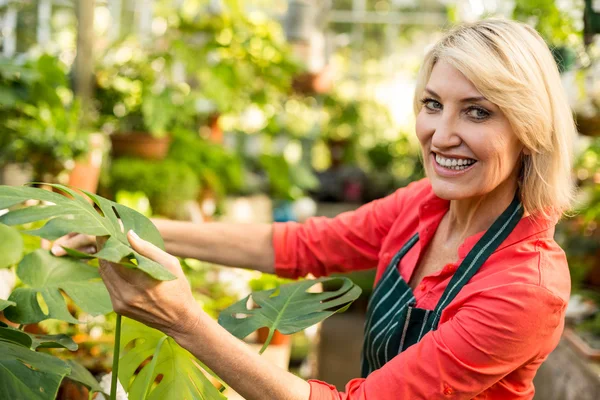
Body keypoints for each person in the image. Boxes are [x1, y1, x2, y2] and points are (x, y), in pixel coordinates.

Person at [53, 18, 576, 400]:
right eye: (433, 104)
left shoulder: (524, 288)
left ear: (530, 130)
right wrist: (127, 227)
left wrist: (185, 321)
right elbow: (299, 246)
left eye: (478, 112)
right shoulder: (427, 205)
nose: (441, 135)